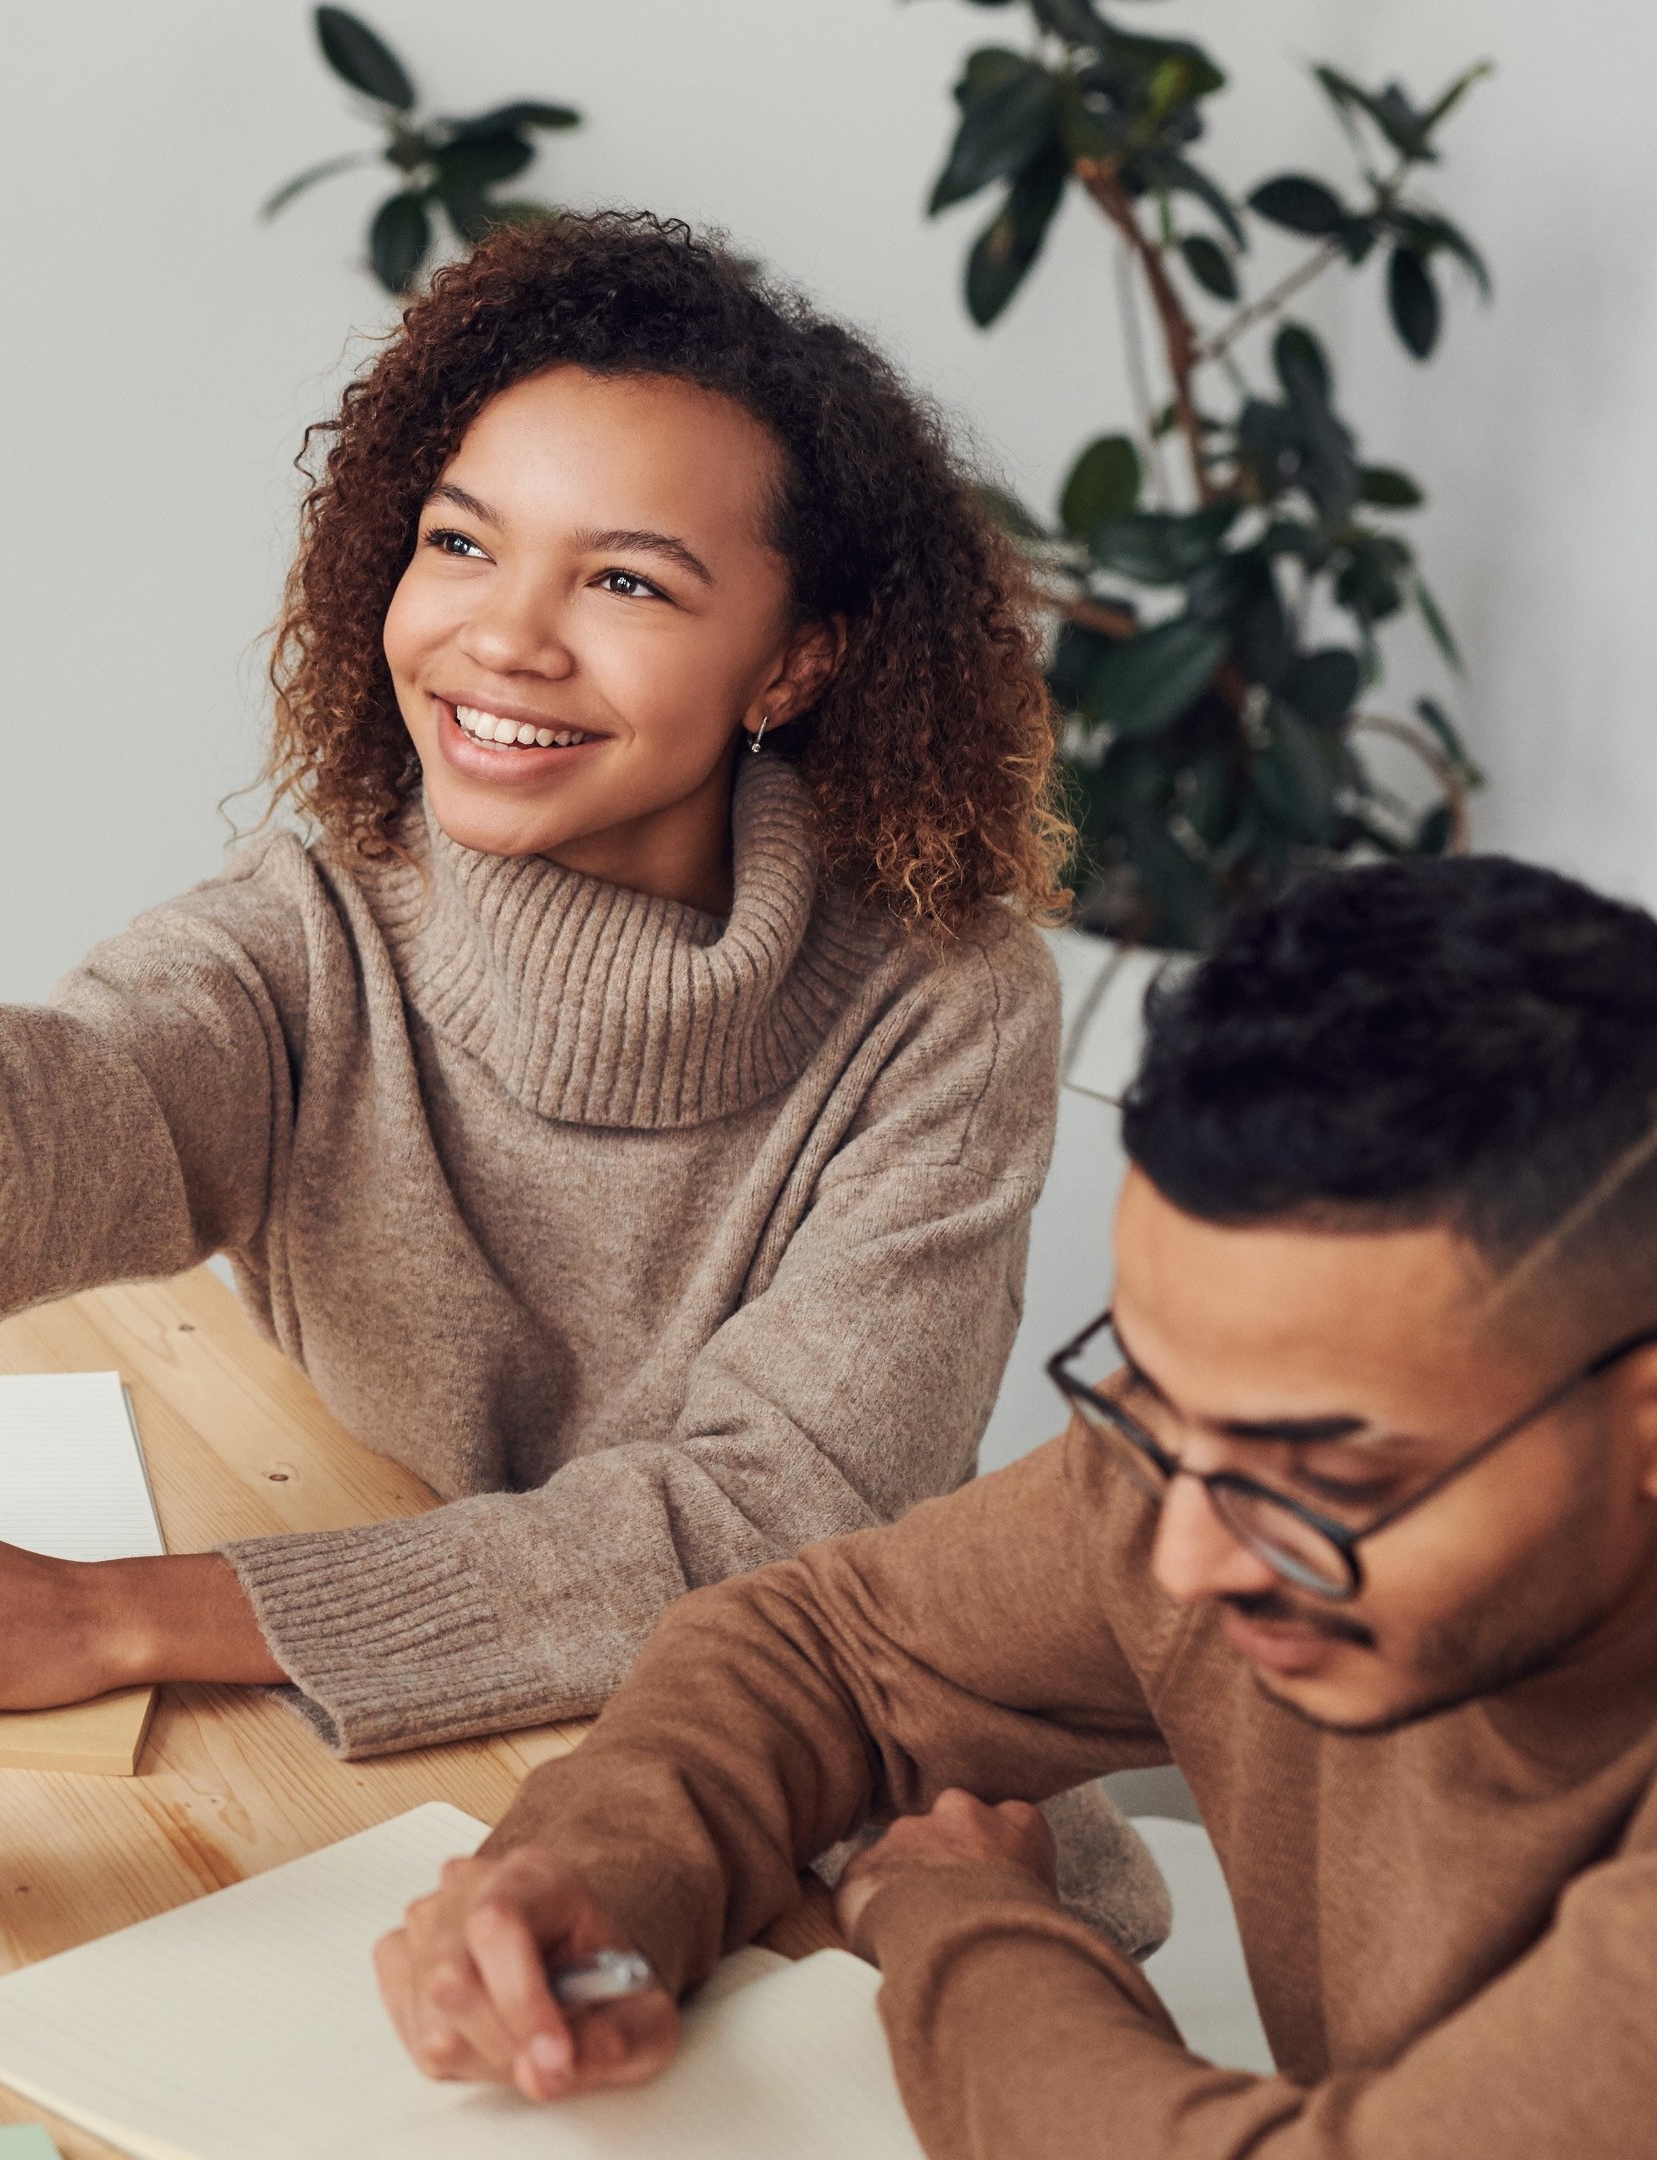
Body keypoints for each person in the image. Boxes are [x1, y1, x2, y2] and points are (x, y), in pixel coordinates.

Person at [0, 215, 1116, 1823]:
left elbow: (781, 1520)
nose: (501, 637)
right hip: (390, 1769)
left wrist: (128, 1614)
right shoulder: (321, 929)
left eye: (624, 579)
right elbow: (77, 1110)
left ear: (792, 664)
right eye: (461, 543)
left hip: (801, 1795)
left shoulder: (943, 1010)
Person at [379, 855, 1657, 2159]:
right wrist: (611, 1876)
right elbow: (827, 1644)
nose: (1188, 1559)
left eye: (1328, 1476)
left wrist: (961, 1917)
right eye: (1153, 1400)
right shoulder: (1200, 1482)